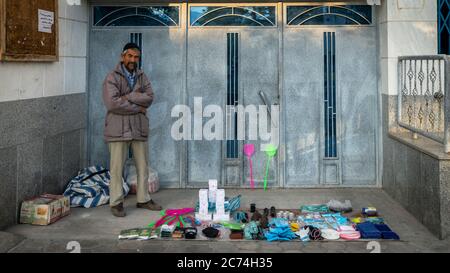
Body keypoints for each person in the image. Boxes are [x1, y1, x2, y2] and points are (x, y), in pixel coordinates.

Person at [102, 42, 162, 217]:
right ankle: (116, 203)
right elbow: (112, 103)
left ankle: (143, 199)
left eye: (136, 57)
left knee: (142, 166)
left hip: (138, 127)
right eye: (130, 56)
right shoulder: (112, 77)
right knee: (116, 168)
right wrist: (138, 106)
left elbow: (149, 98)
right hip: (117, 128)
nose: (133, 60)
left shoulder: (142, 76)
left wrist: (128, 96)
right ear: (123, 56)